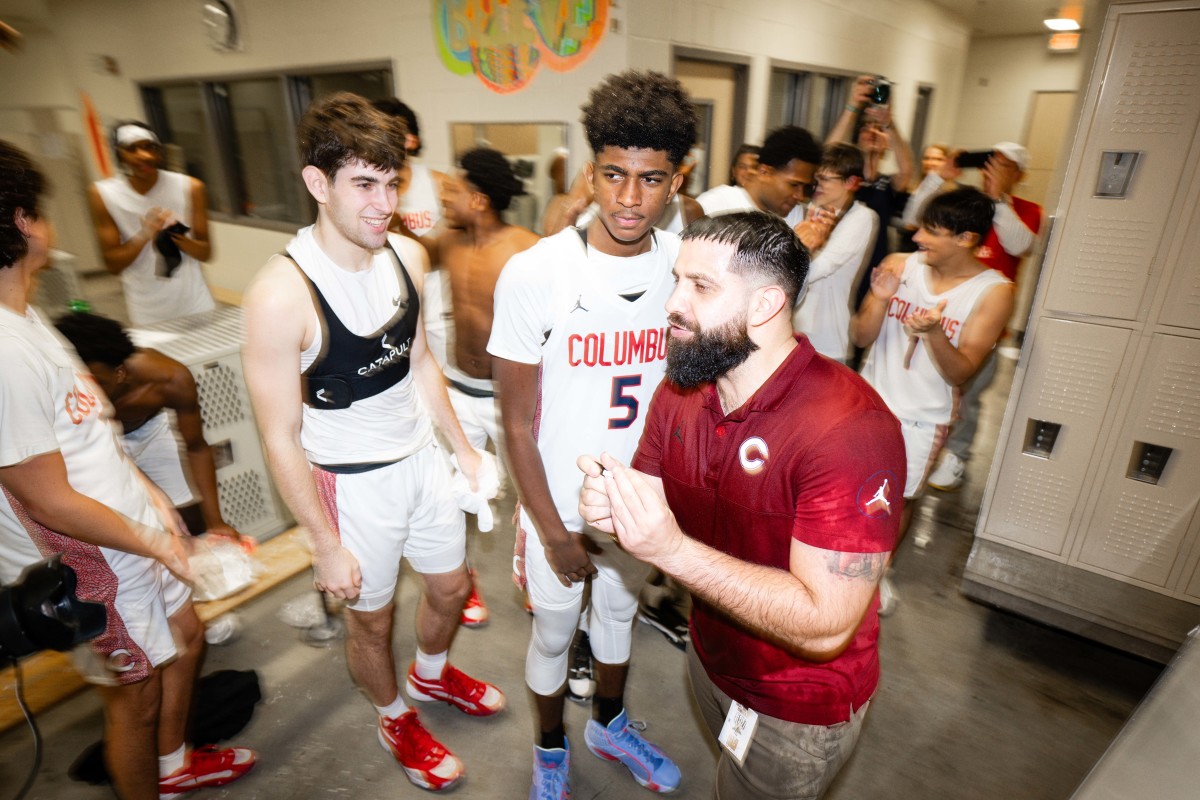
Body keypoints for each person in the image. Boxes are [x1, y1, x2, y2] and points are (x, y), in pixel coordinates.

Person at [578, 211, 905, 800]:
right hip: (710, 655)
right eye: (677, 280)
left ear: (764, 306)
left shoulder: (849, 430)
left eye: (700, 287)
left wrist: (671, 551)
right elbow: (651, 494)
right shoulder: (681, 389)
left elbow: (825, 625)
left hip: (794, 706)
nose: (672, 303)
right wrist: (612, 503)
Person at [241, 93, 503, 793]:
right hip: (352, 484)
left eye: (392, 181)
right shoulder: (279, 295)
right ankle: (394, 715)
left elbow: (419, 361)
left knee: (450, 589)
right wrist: (323, 543)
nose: (383, 202)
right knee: (371, 622)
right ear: (317, 183)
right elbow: (278, 435)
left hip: (422, 462)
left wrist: (465, 451)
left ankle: (432, 675)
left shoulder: (409, 259)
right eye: (364, 183)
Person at [0, 140, 256, 800]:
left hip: (132, 532)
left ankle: (173, 767)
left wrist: (154, 501)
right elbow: (48, 501)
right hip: (99, 558)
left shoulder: (26, 316)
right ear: (25, 222)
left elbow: (90, 433)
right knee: (134, 696)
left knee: (189, 635)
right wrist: (156, 545)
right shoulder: (2, 349)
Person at [489, 69, 696, 799]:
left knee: (618, 619)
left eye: (650, 178)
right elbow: (513, 421)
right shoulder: (536, 273)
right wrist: (550, 532)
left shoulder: (686, 268)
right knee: (553, 634)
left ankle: (609, 722)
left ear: (678, 181)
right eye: (613, 174)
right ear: (591, 171)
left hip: (641, 504)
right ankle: (549, 744)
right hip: (560, 508)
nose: (629, 198)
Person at [851, 187, 1013, 561]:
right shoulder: (899, 264)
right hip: (866, 405)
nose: (917, 238)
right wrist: (879, 298)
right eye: (921, 228)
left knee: (895, 504)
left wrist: (934, 333)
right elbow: (860, 335)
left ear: (965, 238)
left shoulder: (993, 292)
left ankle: (877, 576)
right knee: (843, 488)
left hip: (921, 420)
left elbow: (961, 373)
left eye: (931, 231)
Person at [437, 147, 541, 625]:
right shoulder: (447, 245)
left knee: (534, 493)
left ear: (478, 200)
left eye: (453, 191)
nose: (444, 197)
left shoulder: (526, 247)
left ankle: (539, 577)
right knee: (456, 494)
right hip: (459, 392)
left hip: (509, 396)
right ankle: (465, 582)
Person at [903, 143, 1043, 491]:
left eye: (1004, 165)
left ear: (1019, 174)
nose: (991, 170)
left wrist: (998, 201)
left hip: (983, 316)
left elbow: (1019, 245)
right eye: (987, 162)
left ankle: (957, 455)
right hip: (937, 308)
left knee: (967, 393)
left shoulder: (1024, 210)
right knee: (931, 386)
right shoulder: (961, 203)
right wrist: (938, 178)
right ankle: (925, 447)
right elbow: (913, 220)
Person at [88, 121, 215, 326]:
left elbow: (206, 253)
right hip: (146, 308)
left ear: (159, 151)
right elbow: (112, 264)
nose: (143, 156)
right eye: (132, 149)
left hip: (194, 303)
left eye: (149, 147)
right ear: (119, 154)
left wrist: (175, 235)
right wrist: (145, 234)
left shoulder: (190, 187)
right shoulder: (104, 194)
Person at [792, 143, 878, 362]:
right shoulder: (801, 208)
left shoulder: (861, 218)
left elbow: (818, 269)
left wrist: (801, 245)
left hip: (826, 340)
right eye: (815, 177)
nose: (816, 185)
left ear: (850, 182)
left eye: (825, 179)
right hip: (791, 334)